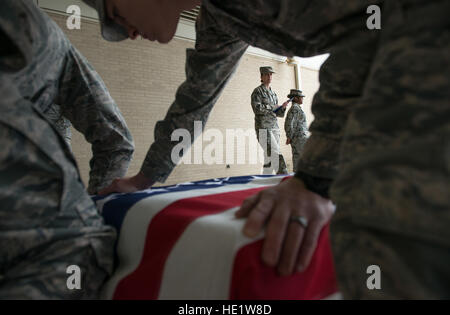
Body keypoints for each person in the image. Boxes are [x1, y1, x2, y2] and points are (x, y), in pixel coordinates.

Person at [83, 0, 450, 298]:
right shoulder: (218, 18)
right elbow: (194, 99)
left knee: (394, 227)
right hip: (393, 48)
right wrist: (146, 177)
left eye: (114, 13)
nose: (124, 32)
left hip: (423, 33)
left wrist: (315, 181)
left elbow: (365, 30)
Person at [0, 0, 134, 298]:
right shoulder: (40, 32)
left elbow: (115, 140)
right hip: (48, 228)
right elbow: (115, 137)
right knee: (79, 250)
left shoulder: (43, 36)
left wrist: (96, 201)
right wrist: (95, 209)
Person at [251, 66, 289, 175]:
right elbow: (257, 109)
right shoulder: (257, 91)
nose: (269, 76)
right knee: (275, 154)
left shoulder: (273, 93)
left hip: (274, 128)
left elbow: (278, 114)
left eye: (271, 74)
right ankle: (284, 177)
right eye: (267, 74)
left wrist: (282, 107)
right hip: (263, 128)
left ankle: (265, 179)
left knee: (269, 158)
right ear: (261, 76)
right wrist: (272, 107)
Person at [284, 89, 308, 172]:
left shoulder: (296, 108)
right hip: (299, 138)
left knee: (298, 159)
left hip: (298, 138)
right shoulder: (295, 108)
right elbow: (290, 123)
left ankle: (297, 177)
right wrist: (289, 136)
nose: (302, 99)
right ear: (296, 98)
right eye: (300, 97)